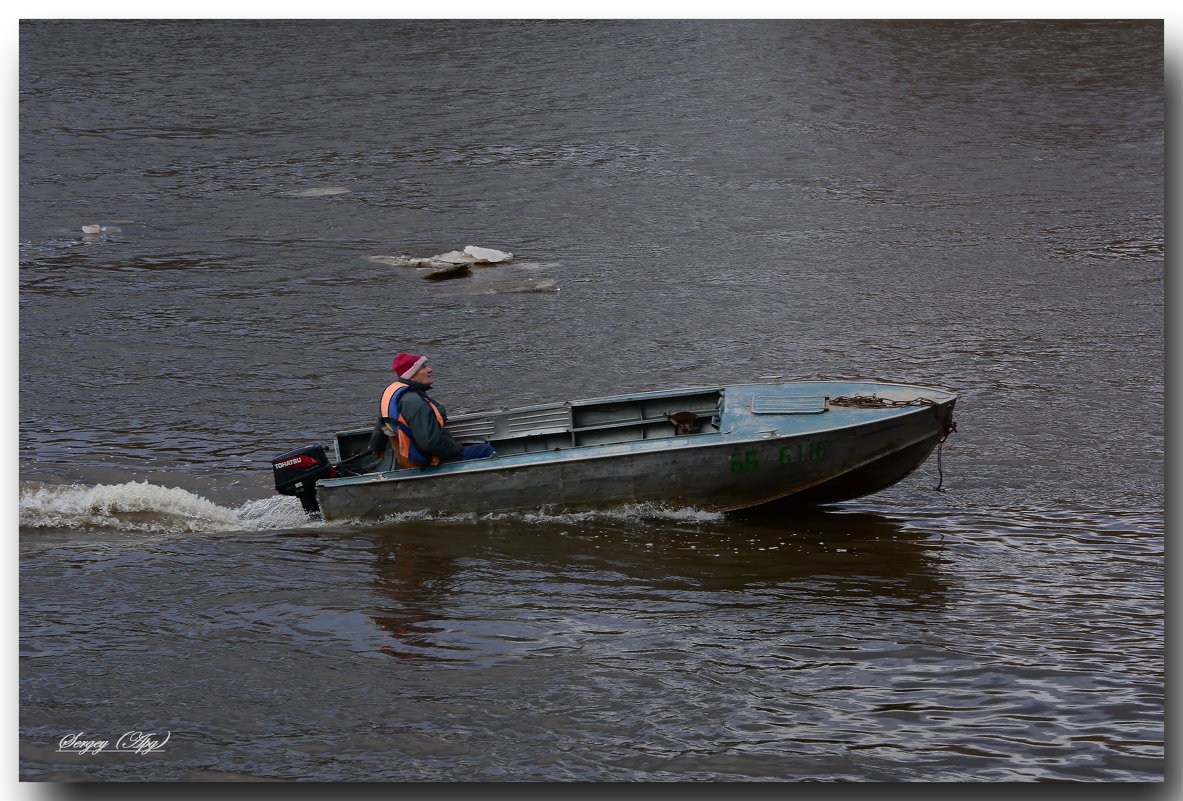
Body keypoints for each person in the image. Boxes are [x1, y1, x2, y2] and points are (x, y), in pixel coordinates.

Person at [372, 353, 495, 469]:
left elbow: (381, 423)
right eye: (423, 367)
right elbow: (430, 443)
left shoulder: (393, 393)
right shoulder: (415, 402)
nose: (429, 369)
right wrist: (456, 449)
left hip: (407, 456)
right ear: (412, 375)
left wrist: (376, 447)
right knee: (487, 450)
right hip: (427, 460)